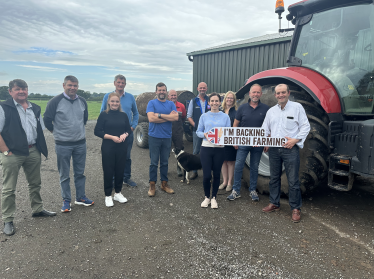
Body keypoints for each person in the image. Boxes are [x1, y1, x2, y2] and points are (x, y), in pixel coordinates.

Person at [0, 79, 56, 236]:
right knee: (9, 188)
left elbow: (40, 129)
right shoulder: (3, 107)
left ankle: (37, 209)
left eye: (24, 89)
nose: (21, 91)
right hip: (12, 153)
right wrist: (5, 151)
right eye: (17, 89)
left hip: (32, 151)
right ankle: (8, 219)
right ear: (10, 91)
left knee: (35, 183)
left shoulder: (35, 108)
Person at [44, 75, 94, 213]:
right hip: (62, 144)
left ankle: (80, 197)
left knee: (80, 173)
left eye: (75, 85)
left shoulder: (82, 101)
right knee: (64, 174)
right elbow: (47, 120)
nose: (73, 88)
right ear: (63, 85)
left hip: (80, 143)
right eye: (70, 85)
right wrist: (58, 133)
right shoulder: (55, 101)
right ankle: (66, 200)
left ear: (78, 86)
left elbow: (84, 119)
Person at [261, 84, 310, 223]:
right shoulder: (271, 111)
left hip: (290, 149)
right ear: (275, 95)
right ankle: (274, 203)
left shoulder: (297, 107)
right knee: (274, 178)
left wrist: (295, 140)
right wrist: (264, 141)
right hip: (274, 149)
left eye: (283, 92)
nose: (280, 95)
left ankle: (295, 208)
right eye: (278, 93)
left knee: (293, 180)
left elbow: (306, 126)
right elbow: (265, 128)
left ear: (288, 93)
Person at [227, 84, 270, 202]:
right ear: (250, 94)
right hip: (243, 142)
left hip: (258, 143)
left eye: (258, 92)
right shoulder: (242, 108)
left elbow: (269, 127)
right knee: (238, 166)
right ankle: (236, 190)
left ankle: (252, 190)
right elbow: (235, 125)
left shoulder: (266, 109)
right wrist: (234, 140)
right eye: (253, 92)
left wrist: (267, 142)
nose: (255, 94)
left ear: (261, 94)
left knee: (254, 167)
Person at [100, 74, 139, 187]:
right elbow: (102, 112)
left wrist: (132, 126)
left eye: (122, 83)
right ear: (114, 83)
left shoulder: (131, 97)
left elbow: (136, 113)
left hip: (127, 133)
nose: (120, 85)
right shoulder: (107, 96)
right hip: (111, 133)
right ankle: (112, 179)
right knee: (111, 156)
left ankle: (126, 177)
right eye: (119, 82)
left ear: (125, 84)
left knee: (126, 156)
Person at [95, 93, 132, 207]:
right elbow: (97, 131)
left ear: (119, 103)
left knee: (120, 170)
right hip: (108, 147)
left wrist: (125, 135)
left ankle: (117, 193)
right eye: (113, 101)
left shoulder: (123, 115)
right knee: (108, 170)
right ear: (109, 102)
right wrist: (111, 137)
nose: (115, 103)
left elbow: (128, 129)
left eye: (117, 101)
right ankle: (107, 195)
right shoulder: (104, 115)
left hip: (122, 146)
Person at [196, 93, 231, 209]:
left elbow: (228, 133)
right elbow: (198, 132)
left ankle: (214, 197)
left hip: (219, 149)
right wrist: (204, 134)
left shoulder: (225, 117)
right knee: (206, 176)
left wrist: (224, 140)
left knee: (216, 175)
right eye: (212, 101)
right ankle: (207, 197)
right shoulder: (204, 116)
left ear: (220, 102)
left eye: (217, 101)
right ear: (209, 103)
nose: (214, 103)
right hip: (206, 147)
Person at [146, 82, 178, 197]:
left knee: (165, 162)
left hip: (167, 137)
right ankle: (152, 185)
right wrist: (168, 117)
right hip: (154, 137)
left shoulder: (170, 104)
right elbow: (151, 119)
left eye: (163, 90)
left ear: (166, 92)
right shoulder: (151, 103)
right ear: (156, 92)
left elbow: (176, 117)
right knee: (154, 162)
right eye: (159, 90)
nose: (161, 92)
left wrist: (159, 115)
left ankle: (164, 184)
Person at [187, 82, 210, 179]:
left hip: (209, 132)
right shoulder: (193, 101)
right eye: (201, 88)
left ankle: (208, 172)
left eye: (204, 88)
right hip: (197, 131)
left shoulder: (210, 100)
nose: (202, 89)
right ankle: (195, 172)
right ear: (197, 89)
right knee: (196, 151)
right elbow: (189, 116)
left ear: (206, 89)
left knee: (208, 151)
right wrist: (196, 126)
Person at [219, 91, 238, 192]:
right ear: (225, 99)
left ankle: (230, 183)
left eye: (231, 98)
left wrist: (235, 140)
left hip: (231, 140)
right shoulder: (220, 111)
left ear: (234, 100)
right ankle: (224, 181)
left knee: (230, 162)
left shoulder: (236, 112)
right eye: (228, 98)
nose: (229, 100)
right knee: (223, 161)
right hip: (221, 139)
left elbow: (237, 127)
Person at [168, 89, 186, 176]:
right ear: (168, 96)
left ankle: (179, 168)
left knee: (180, 150)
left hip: (178, 131)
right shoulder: (165, 106)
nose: (173, 97)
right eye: (171, 95)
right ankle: (165, 168)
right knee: (166, 150)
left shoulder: (181, 106)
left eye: (174, 95)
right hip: (167, 131)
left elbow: (183, 117)